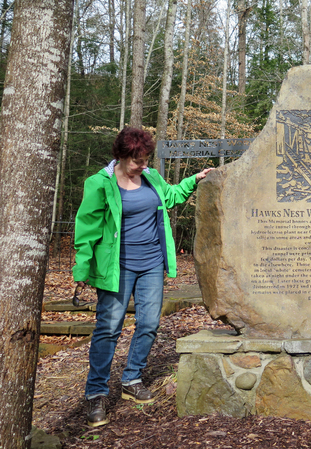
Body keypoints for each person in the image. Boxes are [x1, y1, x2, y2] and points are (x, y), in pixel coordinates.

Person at [72, 127, 214, 427]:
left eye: (146, 158)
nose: (143, 165)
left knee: (149, 324)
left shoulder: (150, 178)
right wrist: (82, 268)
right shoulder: (100, 184)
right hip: (117, 268)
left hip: (151, 264)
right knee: (109, 329)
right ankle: (95, 393)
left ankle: (132, 379)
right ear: (121, 157)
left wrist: (195, 179)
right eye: (137, 160)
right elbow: (87, 228)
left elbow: (171, 195)